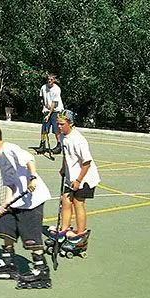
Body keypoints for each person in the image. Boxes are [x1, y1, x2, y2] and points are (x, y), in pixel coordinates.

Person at [0, 124, 53, 289]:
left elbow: (29, 159)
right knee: (6, 222)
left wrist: (33, 178)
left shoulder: (10, 149)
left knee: (30, 233)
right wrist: (5, 203)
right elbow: (10, 183)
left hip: (32, 199)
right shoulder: (0, 157)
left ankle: (41, 269)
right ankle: (8, 260)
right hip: (17, 199)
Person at [47, 110, 100, 257]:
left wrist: (78, 180)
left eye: (62, 124)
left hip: (85, 178)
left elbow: (87, 162)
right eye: (58, 124)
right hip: (71, 176)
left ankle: (80, 236)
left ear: (70, 123)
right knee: (65, 201)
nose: (59, 126)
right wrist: (64, 167)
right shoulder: (63, 137)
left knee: (78, 202)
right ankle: (64, 231)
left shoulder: (79, 140)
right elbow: (65, 153)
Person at [34, 73, 64, 155]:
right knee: (44, 128)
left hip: (56, 110)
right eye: (48, 79)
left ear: (54, 80)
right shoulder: (43, 87)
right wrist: (44, 108)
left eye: (51, 79)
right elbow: (43, 99)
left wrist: (48, 115)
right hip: (47, 109)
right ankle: (42, 145)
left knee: (56, 129)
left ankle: (59, 146)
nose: (49, 81)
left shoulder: (57, 89)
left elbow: (54, 103)